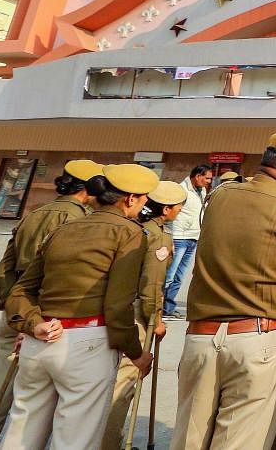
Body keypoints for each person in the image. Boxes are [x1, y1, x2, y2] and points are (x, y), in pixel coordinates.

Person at [171, 132, 276, 450]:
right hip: (258, 338)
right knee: (239, 441)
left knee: (189, 439)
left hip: (200, 335)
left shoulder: (218, 197)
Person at [3, 163, 158, 449]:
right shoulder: (129, 232)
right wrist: (135, 353)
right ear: (130, 199)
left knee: (19, 433)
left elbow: (22, 289)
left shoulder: (65, 228)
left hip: (42, 339)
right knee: (75, 438)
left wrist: (32, 324)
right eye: (144, 199)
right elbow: (117, 304)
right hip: (87, 343)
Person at [0, 158, 103, 440]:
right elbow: (59, 275)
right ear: (89, 189)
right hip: (47, 319)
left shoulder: (33, 213)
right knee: (39, 405)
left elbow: (5, 267)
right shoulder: (79, 221)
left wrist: (15, 307)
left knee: (0, 390)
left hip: (17, 311)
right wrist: (36, 317)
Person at [101, 179, 186, 450]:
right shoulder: (159, 236)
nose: (180, 211)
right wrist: (156, 320)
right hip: (137, 312)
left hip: (114, 306)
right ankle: (108, 443)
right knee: (125, 381)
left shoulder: (135, 227)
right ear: (168, 209)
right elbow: (152, 285)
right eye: (179, 207)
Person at [163, 163, 214, 320]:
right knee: (169, 275)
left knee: (179, 276)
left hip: (193, 237)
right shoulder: (181, 190)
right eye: (207, 178)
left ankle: (168, 308)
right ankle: (157, 307)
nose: (209, 181)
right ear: (197, 177)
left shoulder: (202, 191)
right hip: (179, 237)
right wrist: (170, 236)